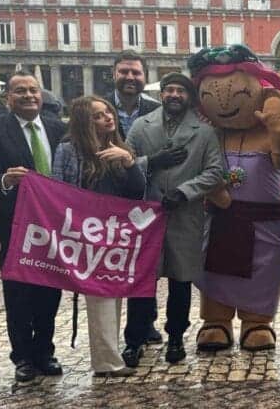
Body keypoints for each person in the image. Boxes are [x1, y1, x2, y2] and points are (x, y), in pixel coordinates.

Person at [123, 73, 224, 366]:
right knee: (142, 282)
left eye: (180, 90)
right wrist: (150, 162)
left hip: (185, 215)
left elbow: (214, 171)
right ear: (161, 94)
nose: (174, 95)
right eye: (169, 90)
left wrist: (184, 191)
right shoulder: (141, 126)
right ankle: (135, 338)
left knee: (181, 282)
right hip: (147, 216)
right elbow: (125, 164)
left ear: (189, 97)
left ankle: (177, 337)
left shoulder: (204, 133)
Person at [0, 71, 66, 383]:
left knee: (50, 291)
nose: (28, 96)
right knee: (18, 293)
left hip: (54, 227)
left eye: (33, 90)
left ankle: (45, 350)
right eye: (20, 91)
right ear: (7, 98)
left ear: (41, 96)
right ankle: (23, 357)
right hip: (15, 224)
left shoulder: (57, 128)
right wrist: (4, 179)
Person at [51, 96, 145, 377]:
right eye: (97, 115)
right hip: (87, 233)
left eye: (108, 112)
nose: (107, 117)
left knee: (114, 293)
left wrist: (129, 161)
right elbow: (59, 190)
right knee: (100, 296)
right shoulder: (68, 150)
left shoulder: (121, 148)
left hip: (118, 233)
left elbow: (137, 191)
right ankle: (107, 362)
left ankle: (109, 355)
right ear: (84, 122)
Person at [106, 50, 162, 345]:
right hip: (108, 201)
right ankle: (109, 329)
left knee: (145, 265)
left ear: (144, 77)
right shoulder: (98, 108)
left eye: (136, 73)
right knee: (110, 264)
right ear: (113, 74)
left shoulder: (156, 110)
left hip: (146, 196)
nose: (130, 77)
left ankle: (144, 323)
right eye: (124, 72)